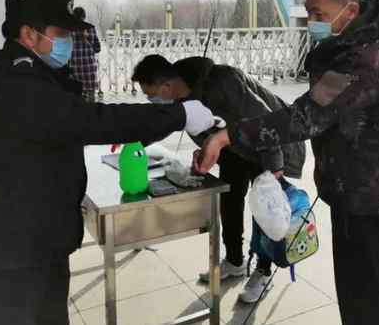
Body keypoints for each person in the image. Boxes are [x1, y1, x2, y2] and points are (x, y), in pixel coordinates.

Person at [0, 0, 217, 325]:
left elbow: (72, 123)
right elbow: (91, 120)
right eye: (61, 33)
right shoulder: (14, 81)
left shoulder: (29, 72)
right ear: (28, 33)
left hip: (34, 240)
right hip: (10, 255)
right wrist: (179, 115)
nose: (68, 41)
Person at [198, 0, 379, 325]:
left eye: (319, 14)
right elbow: (315, 106)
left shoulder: (364, 61)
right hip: (353, 195)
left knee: (371, 301)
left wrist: (229, 135)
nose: (312, 20)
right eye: (309, 12)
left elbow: (304, 118)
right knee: (359, 297)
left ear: (352, 11)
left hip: (370, 202)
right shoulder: (349, 50)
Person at [131, 54, 306, 304]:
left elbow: (266, 121)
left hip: (268, 145)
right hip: (235, 148)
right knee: (230, 200)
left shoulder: (224, 81)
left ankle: (263, 271)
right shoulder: (182, 97)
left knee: (265, 210)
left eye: (151, 95)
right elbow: (175, 125)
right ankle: (235, 260)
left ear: (166, 86)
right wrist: (138, 140)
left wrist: (275, 170)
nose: (152, 101)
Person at [69, 6, 101, 102]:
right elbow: (98, 48)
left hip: (74, 67)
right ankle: (91, 114)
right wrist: (88, 43)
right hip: (89, 68)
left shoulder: (69, 30)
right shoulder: (91, 28)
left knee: (76, 97)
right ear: (84, 16)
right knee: (91, 97)